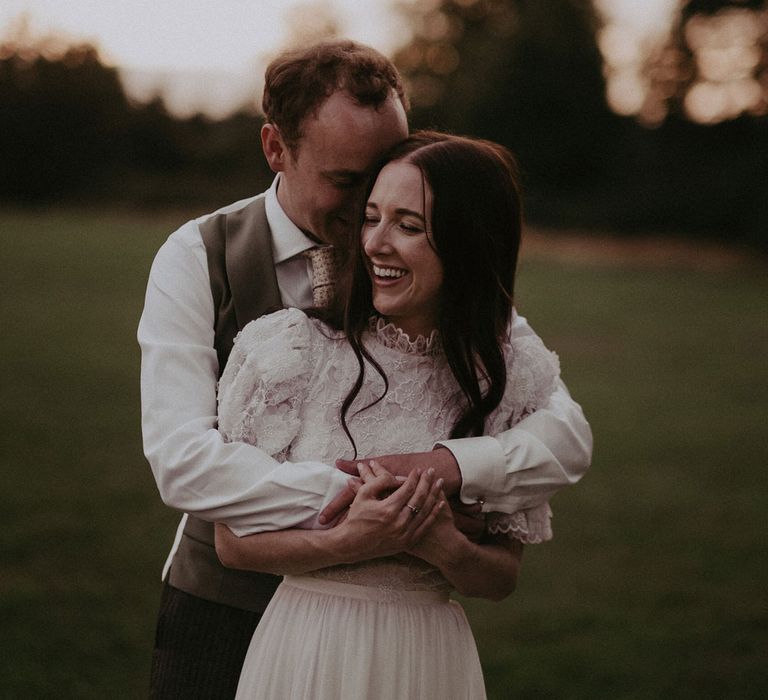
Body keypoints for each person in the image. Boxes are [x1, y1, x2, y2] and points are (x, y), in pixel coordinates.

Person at [138, 41, 592, 698]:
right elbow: (183, 461)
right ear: (276, 149)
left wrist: (444, 468)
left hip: (392, 635)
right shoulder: (197, 257)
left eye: (391, 168)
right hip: (222, 601)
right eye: (348, 183)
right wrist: (365, 502)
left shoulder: (430, 268)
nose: (371, 209)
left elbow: (564, 435)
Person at [213, 131, 563, 699]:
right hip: (308, 646)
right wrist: (359, 539)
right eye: (371, 217)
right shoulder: (289, 352)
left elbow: (501, 577)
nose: (376, 243)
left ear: (469, 240)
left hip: (425, 660)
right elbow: (231, 542)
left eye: (408, 225)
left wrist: (441, 543)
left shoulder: (508, 378)